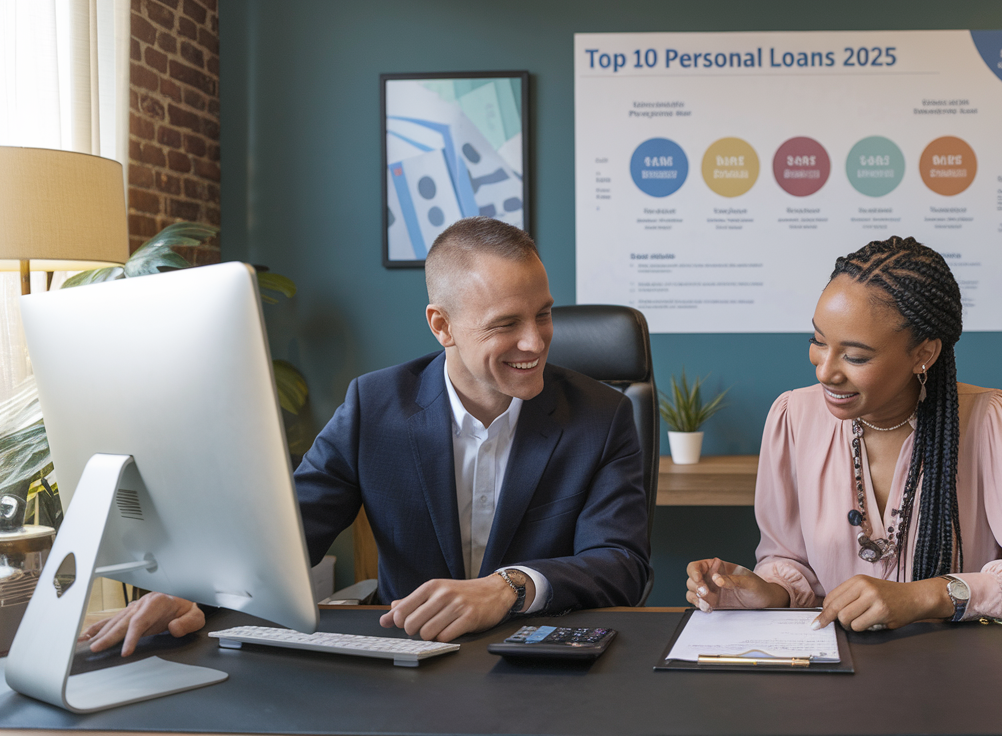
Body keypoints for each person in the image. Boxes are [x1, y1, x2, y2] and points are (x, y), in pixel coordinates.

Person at [83, 217, 651, 654]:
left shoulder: (601, 415)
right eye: (506, 324)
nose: (535, 342)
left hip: (544, 663)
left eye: (544, 315)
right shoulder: (373, 406)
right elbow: (288, 534)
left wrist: (508, 588)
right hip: (408, 657)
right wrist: (192, 590)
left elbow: (622, 563)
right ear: (442, 325)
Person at [686, 236, 1002, 631]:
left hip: (961, 677)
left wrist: (933, 596)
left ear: (923, 354)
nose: (825, 370)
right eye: (817, 341)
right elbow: (789, 560)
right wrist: (770, 593)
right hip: (834, 680)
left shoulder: (989, 420)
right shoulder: (793, 416)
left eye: (854, 355)